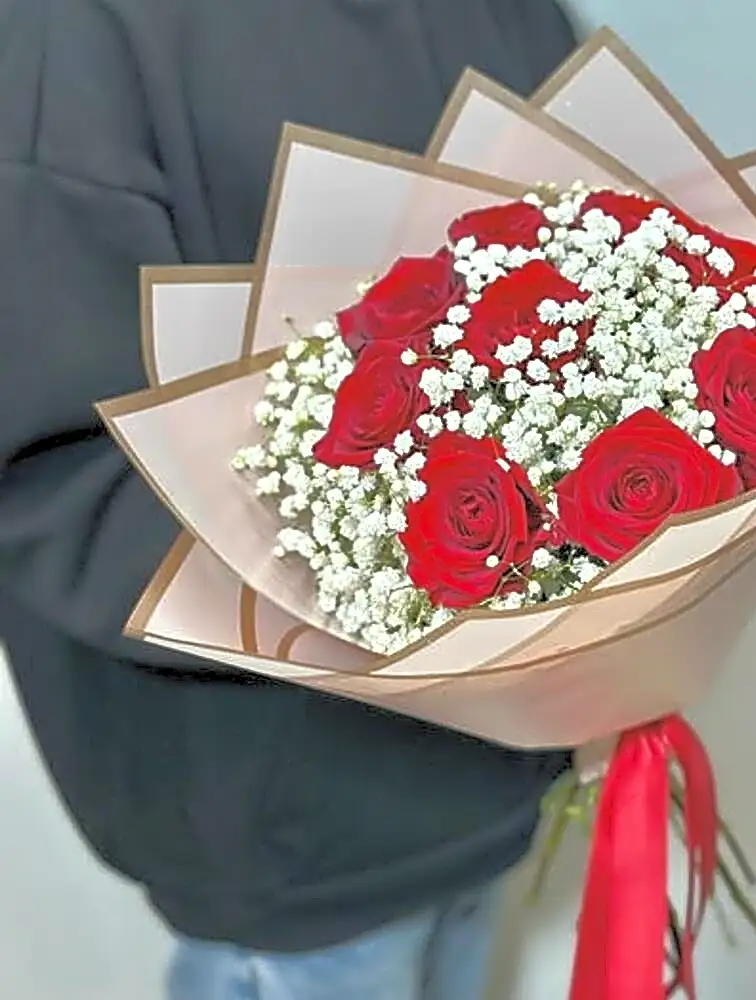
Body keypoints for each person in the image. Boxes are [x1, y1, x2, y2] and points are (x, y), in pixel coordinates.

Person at [0, 1, 580, 997]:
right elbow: (52, 478)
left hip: (501, 783)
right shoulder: (71, 40)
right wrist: (416, 561)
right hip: (292, 839)